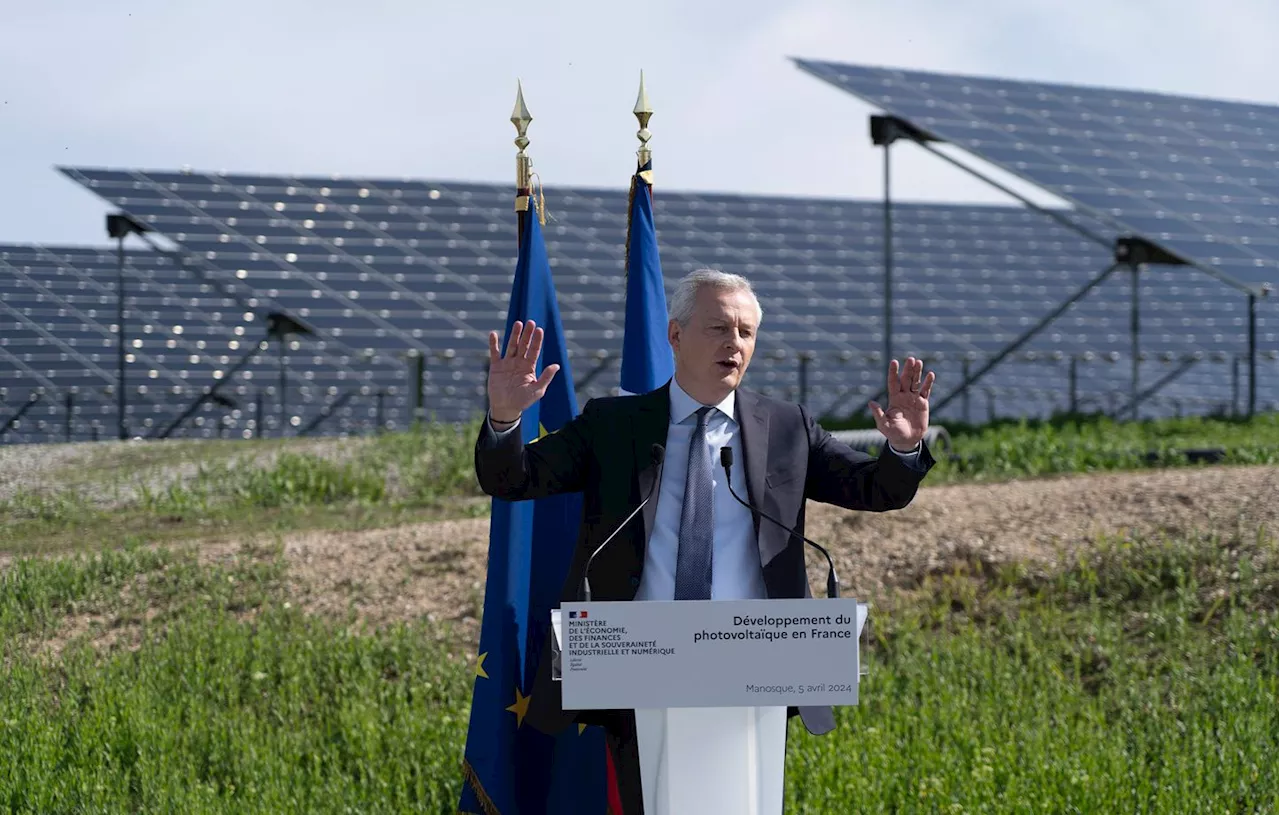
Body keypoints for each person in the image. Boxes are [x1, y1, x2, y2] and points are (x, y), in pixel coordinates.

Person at [474, 268, 936, 812]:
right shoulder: (613, 424)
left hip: (757, 662)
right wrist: (505, 419)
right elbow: (513, 479)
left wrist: (904, 450)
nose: (734, 344)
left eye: (746, 333)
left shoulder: (787, 426)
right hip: (638, 664)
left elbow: (874, 489)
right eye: (719, 328)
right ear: (675, 335)